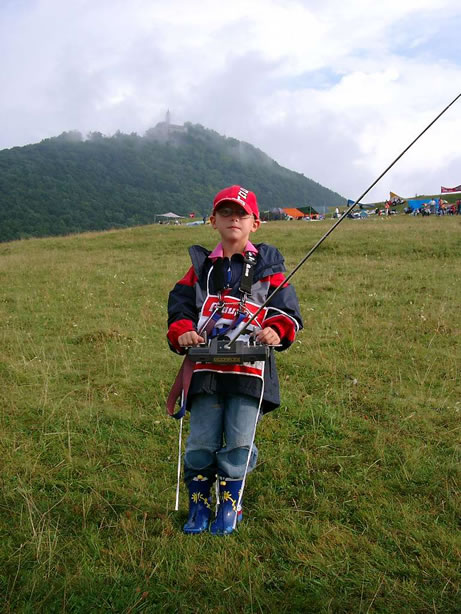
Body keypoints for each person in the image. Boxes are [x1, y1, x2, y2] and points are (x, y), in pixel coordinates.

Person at [166, 185, 303, 535]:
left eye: (242, 214)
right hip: (205, 371)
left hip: (250, 373)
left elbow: (287, 311)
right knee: (201, 442)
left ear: (255, 223)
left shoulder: (270, 267)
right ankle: (199, 505)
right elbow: (180, 307)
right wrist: (182, 331)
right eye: (225, 213)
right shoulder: (200, 268)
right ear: (213, 221)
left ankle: (230, 505)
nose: (234, 219)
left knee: (240, 442)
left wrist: (276, 329)